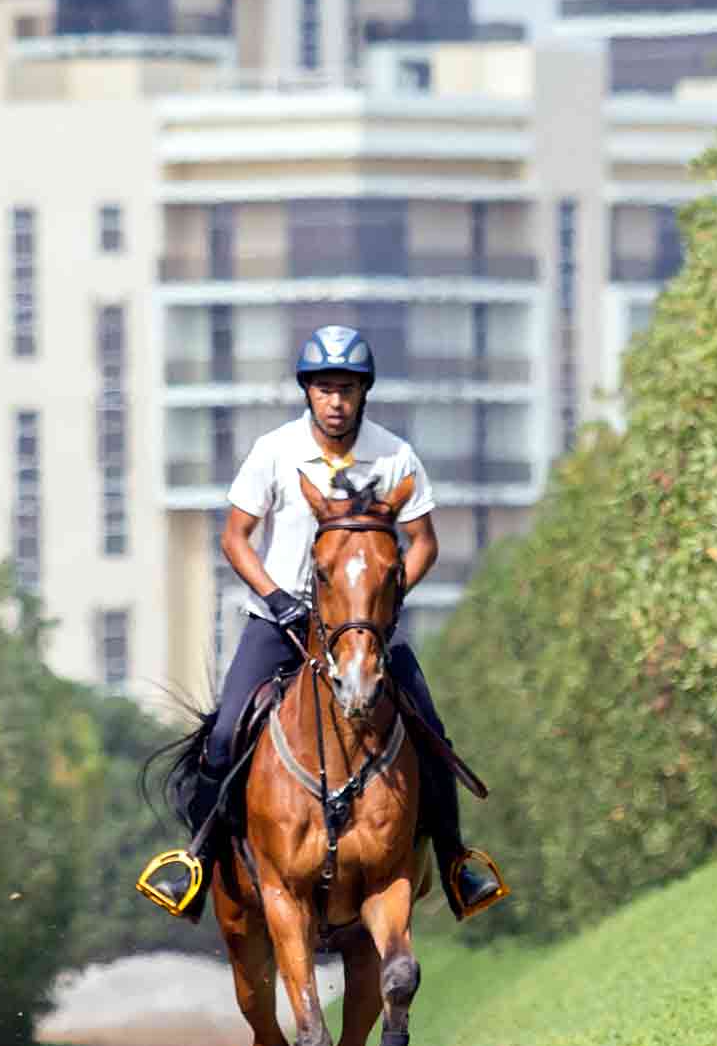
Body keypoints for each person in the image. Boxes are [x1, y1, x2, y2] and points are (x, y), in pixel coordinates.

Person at [164, 324, 507, 918]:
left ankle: (455, 865)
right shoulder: (274, 450)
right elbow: (235, 537)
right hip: (279, 622)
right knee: (223, 737)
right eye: (325, 388)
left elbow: (423, 542)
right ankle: (195, 861)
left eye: (346, 389)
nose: (335, 401)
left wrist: (385, 604)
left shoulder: (396, 454)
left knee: (430, 733)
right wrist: (274, 598)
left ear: (363, 393)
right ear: (308, 392)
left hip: (363, 627)